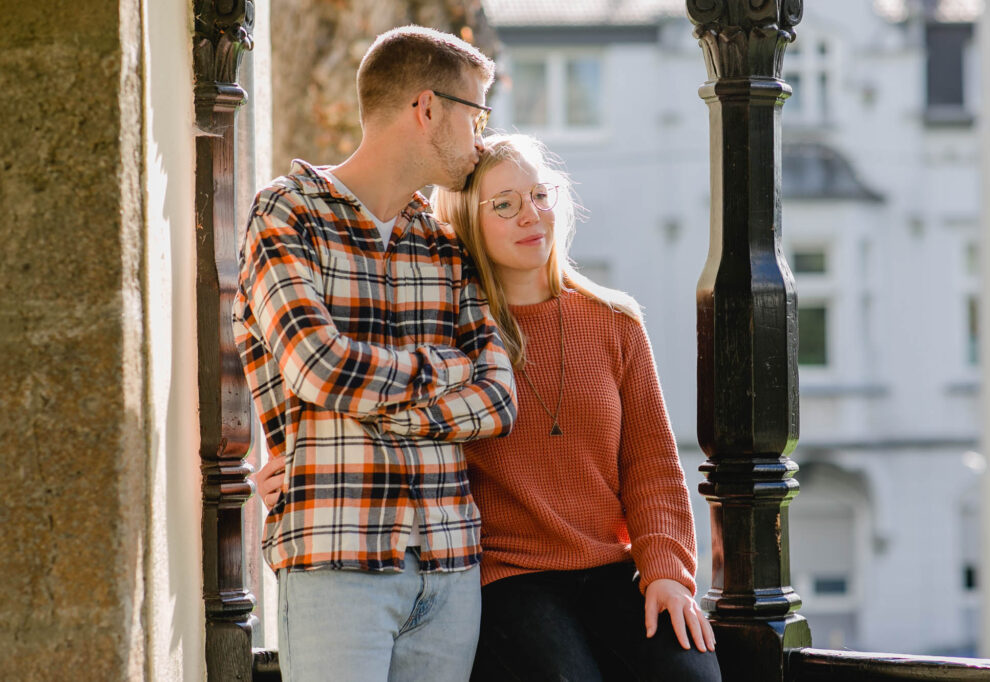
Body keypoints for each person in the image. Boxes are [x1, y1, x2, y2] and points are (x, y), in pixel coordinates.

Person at [256, 133, 721, 680]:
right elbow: (379, 410)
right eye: (504, 204)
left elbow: (652, 465)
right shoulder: (452, 333)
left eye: (540, 195)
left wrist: (666, 569)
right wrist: (301, 457)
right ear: (467, 223)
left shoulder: (615, 321)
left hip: (612, 568)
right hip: (504, 577)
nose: (531, 215)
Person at [234, 27, 517, 682]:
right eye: (475, 114)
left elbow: (500, 400)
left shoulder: (446, 245)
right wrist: (444, 371)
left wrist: (382, 414)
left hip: (450, 568)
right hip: (336, 557)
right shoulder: (288, 213)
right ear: (426, 109)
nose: (480, 139)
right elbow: (317, 367)